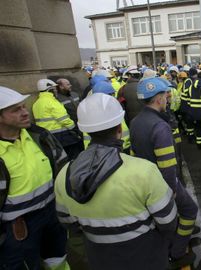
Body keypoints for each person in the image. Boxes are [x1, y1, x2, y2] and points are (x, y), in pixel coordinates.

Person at [54, 93, 177, 270]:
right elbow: (167, 220)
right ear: (119, 129)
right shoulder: (144, 170)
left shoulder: (64, 174)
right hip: (145, 254)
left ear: (85, 130)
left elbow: (68, 223)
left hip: (99, 255)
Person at [130, 77, 198, 268]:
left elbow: (134, 153)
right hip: (162, 184)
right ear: (159, 99)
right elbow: (168, 167)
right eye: (165, 95)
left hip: (144, 182)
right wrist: (172, 191)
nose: (168, 98)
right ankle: (177, 252)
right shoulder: (160, 126)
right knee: (189, 210)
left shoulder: (135, 122)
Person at [0, 86, 69, 270]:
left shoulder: (39, 136)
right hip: (17, 229)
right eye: (16, 110)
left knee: (58, 259)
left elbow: (62, 168)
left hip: (52, 214)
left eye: (23, 107)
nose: (25, 112)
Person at [33, 79, 82, 160]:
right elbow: (65, 120)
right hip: (62, 136)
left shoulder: (36, 104)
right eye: (54, 89)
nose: (56, 90)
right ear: (50, 90)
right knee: (75, 156)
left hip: (49, 137)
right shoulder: (52, 102)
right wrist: (75, 129)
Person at [84, 81, 131, 152]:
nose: (113, 96)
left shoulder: (89, 112)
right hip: (118, 148)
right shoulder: (114, 108)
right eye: (111, 94)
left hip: (98, 152)